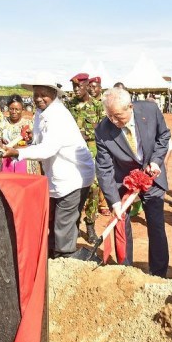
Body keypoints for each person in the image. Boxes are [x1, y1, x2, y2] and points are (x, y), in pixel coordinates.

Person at [0, 72, 95, 258]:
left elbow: (48, 149)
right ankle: (54, 256)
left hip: (73, 176)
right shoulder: (40, 113)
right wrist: (26, 142)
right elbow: (38, 142)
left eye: (44, 94)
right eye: (36, 95)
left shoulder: (58, 115)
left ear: (54, 93)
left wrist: (18, 152)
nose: (39, 99)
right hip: (56, 176)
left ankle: (65, 261)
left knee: (63, 223)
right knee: (54, 221)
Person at [95, 87, 171, 277]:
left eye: (118, 116)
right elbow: (104, 168)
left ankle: (159, 273)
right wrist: (114, 202)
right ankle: (125, 271)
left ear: (130, 107)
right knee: (121, 224)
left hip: (151, 177)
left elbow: (164, 137)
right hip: (123, 183)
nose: (113, 121)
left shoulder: (150, 111)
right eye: (110, 115)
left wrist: (156, 160)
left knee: (156, 226)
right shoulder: (103, 129)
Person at [66, 73, 105, 243]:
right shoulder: (69, 106)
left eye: (78, 86)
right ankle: (73, 225)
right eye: (73, 87)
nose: (75, 90)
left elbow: (103, 130)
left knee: (94, 189)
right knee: (73, 189)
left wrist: (86, 133)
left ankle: (90, 225)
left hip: (92, 151)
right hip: (72, 153)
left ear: (87, 86)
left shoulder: (97, 106)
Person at [0, 94, 40, 174]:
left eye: (17, 109)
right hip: (5, 159)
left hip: (25, 160)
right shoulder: (2, 122)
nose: (14, 112)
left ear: (22, 109)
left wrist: (17, 148)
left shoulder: (29, 124)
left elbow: (34, 143)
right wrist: (2, 146)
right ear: (8, 109)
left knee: (24, 184)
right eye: (11, 109)